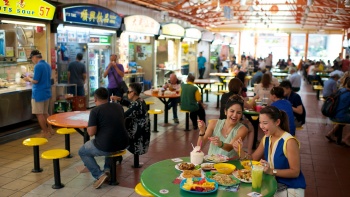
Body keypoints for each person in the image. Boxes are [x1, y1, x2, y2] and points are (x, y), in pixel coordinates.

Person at [233, 106, 306, 196]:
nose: (261, 126)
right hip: (275, 186)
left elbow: (295, 172)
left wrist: (271, 171)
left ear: (277, 122)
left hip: (291, 189)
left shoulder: (289, 142)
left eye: (265, 123)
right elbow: (252, 159)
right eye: (260, 123)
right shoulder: (267, 138)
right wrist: (240, 151)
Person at [79, 87, 129, 189]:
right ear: (107, 97)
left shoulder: (95, 111)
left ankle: (99, 175)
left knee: (83, 151)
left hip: (108, 146)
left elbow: (91, 132)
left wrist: (91, 124)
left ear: (95, 99)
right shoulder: (118, 107)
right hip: (124, 143)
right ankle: (107, 169)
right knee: (107, 138)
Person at [111, 83, 150, 168]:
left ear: (134, 93)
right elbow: (130, 105)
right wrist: (120, 99)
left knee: (116, 135)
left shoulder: (136, 104)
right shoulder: (140, 101)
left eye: (129, 91)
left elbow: (125, 115)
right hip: (143, 131)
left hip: (138, 134)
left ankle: (116, 157)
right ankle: (118, 156)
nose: (127, 93)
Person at [219, 78, 254, 154]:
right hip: (232, 121)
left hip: (222, 119)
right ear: (239, 88)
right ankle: (249, 151)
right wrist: (254, 98)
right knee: (251, 127)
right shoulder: (238, 98)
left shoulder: (224, 95)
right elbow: (250, 107)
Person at [23, 50, 53, 138]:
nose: (32, 60)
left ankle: (45, 132)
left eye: (32, 58)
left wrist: (28, 79)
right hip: (46, 92)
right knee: (45, 112)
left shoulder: (38, 66)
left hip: (39, 93)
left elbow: (36, 81)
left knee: (39, 114)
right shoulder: (47, 65)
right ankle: (50, 129)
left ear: (35, 57)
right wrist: (32, 76)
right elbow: (43, 76)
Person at [325, 79, 350, 145]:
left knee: (343, 115)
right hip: (339, 117)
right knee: (343, 116)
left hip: (332, 114)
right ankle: (346, 139)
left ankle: (330, 133)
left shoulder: (341, 90)